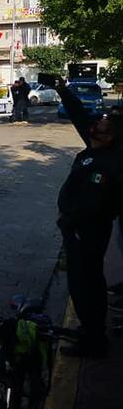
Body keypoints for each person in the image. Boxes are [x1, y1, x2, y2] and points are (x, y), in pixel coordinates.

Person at [54, 77, 122, 357]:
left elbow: (98, 202)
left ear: (111, 135)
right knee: (81, 281)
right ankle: (89, 330)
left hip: (88, 230)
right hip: (75, 229)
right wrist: (62, 89)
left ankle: (94, 339)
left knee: (86, 283)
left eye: (103, 124)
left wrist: (73, 221)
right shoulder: (93, 148)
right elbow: (79, 115)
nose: (95, 125)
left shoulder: (112, 159)